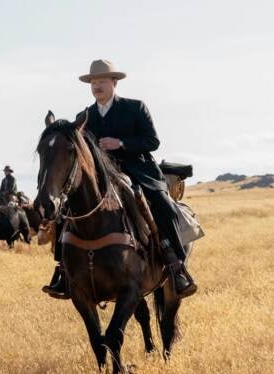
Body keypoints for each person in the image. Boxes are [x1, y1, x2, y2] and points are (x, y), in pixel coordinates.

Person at [42, 59, 197, 299]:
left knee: (163, 206)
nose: (97, 86)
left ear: (114, 82)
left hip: (138, 171)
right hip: (101, 177)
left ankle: (176, 266)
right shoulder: (85, 117)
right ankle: (62, 272)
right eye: (93, 82)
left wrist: (121, 143)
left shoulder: (135, 108)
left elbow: (152, 141)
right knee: (66, 211)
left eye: (102, 81)